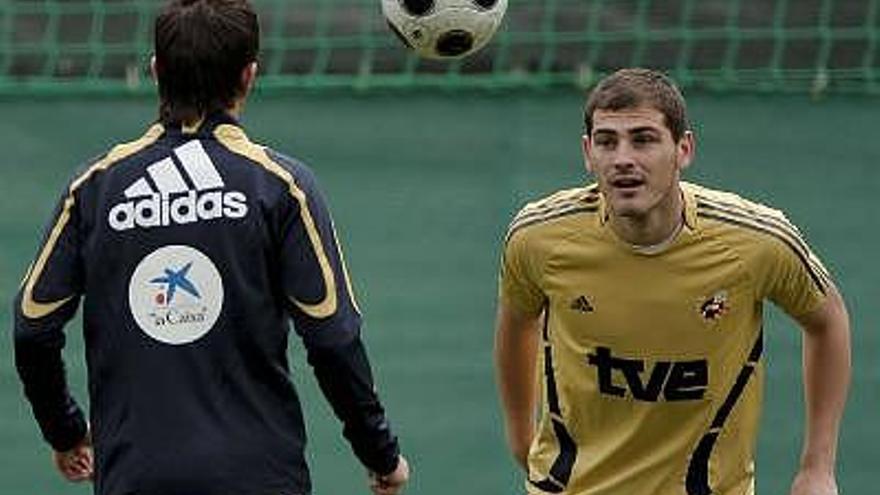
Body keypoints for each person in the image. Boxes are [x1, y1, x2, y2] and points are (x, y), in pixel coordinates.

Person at [13, 1, 409, 494]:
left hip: (135, 479)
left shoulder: (94, 187)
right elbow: (332, 339)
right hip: (261, 479)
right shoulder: (282, 186)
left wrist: (67, 431)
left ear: (157, 71)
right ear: (249, 76)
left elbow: (33, 327)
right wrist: (380, 454)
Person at [494, 68, 850, 495]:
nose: (623, 158)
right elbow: (517, 323)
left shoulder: (758, 242)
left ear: (683, 149)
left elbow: (827, 320)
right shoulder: (539, 238)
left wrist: (818, 467)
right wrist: (520, 439)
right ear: (588, 154)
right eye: (607, 142)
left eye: (643, 139)